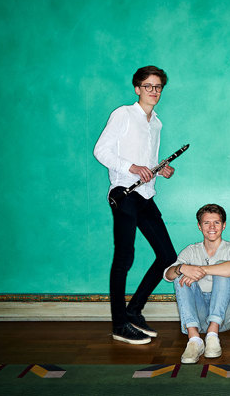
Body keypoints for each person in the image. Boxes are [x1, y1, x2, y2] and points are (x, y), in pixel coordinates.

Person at [93, 65, 178, 344]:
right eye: (148, 86)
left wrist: (158, 170)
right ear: (137, 88)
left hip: (145, 194)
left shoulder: (157, 123)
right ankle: (119, 325)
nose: (154, 91)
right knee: (124, 257)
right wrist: (131, 167)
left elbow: (147, 163)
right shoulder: (123, 114)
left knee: (167, 256)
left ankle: (133, 311)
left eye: (158, 87)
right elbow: (100, 151)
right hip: (123, 193)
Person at [164, 204, 230, 364]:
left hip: (226, 316)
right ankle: (194, 340)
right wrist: (182, 268)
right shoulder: (191, 250)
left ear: (224, 225)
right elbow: (168, 274)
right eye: (207, 223)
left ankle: (213, 336)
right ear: (199, 226)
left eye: (216, 222)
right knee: (179, 276)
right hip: (198, 317)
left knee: (225, 268)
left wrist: (202, 270)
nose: (212, 227)